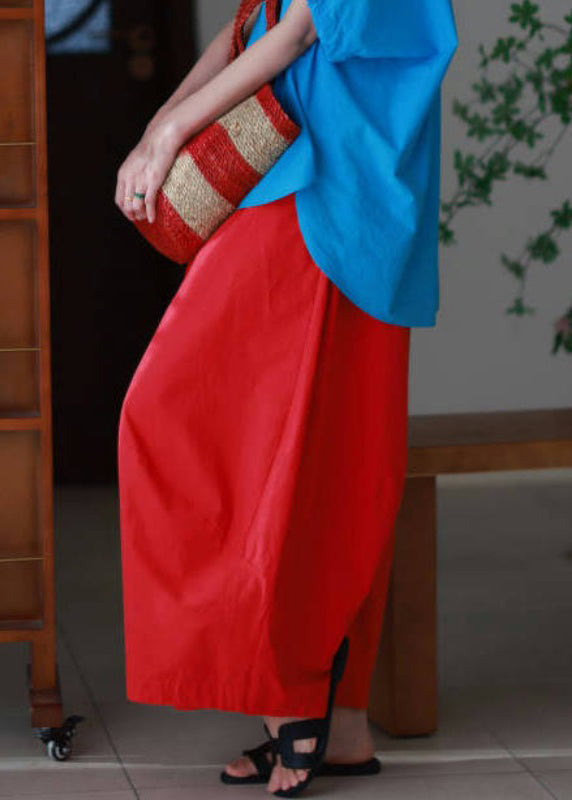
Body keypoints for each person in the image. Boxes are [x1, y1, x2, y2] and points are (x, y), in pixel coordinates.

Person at [115, 0, 458, 796]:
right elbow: (253, 19)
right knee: (336, 449)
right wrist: (158, 126)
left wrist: (167, 135)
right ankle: (340, 721)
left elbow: (301, 26)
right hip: (332, 173)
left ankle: (297, 694)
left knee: (239, 430)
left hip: (327, 179)